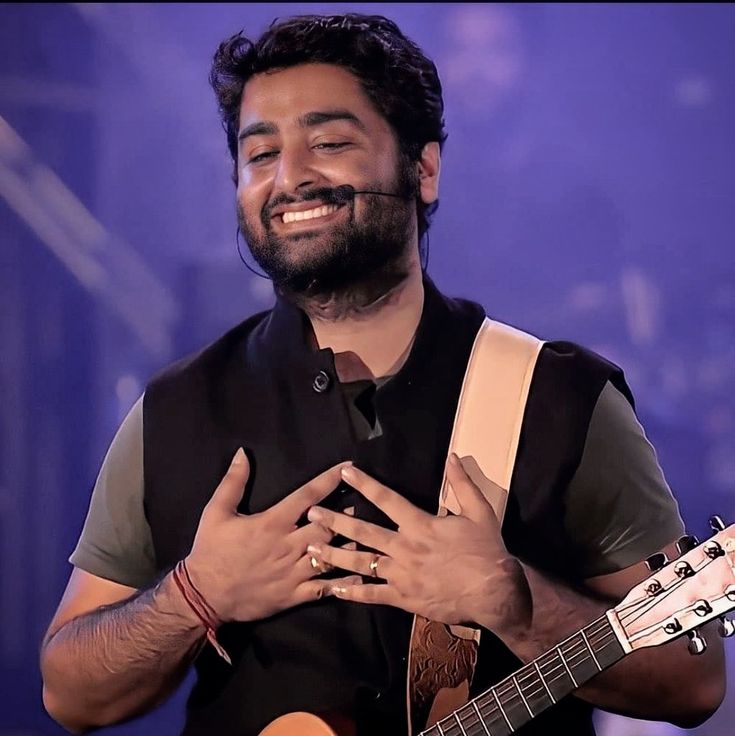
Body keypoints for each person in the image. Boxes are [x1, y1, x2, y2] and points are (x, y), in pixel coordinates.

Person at [40, 13, 725, 736]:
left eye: (329, 142)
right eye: (260, 152)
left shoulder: (558, 398)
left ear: (423, 170)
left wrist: (515, 606)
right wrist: (194, 593)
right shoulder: (176, 412)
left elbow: (689, 679)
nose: (291, 176)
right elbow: (71, 696)